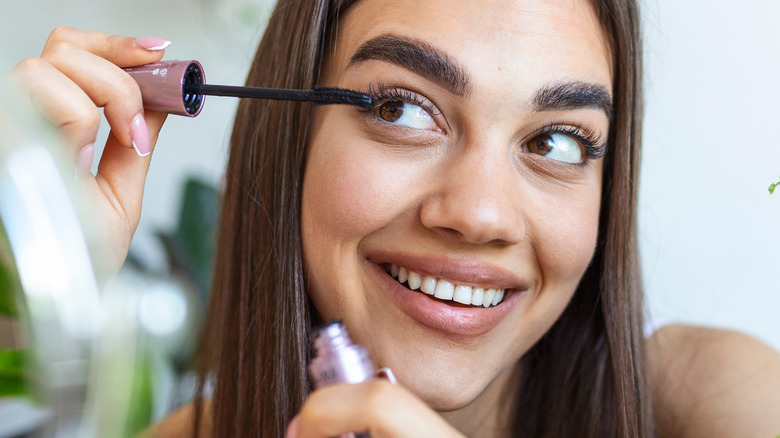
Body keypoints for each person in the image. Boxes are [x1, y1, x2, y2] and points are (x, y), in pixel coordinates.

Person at [11, 0, 780, 436]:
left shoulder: (714, 403)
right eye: (403, 109)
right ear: (293, 139)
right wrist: (20, 306)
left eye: (555, 140)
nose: (478, 215)